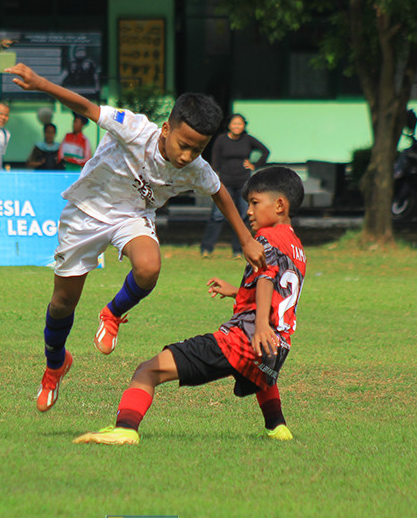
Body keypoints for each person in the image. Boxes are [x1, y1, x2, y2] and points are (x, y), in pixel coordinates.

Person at [3, 62, 266, 413]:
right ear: (166, 127)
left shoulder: (196, 168)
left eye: (197, 150)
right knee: (62, 303)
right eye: (183, 145)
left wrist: (247, 239)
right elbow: (86, 107)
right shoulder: (135, 129)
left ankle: (112, 314)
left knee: (149, 267)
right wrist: (40, 83)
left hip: (132, 217)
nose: (187, 156)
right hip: (86, 211)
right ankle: (55, 365)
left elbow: (219, 191)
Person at [74, 167, 306, 445]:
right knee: (259, 373)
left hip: (244, 339)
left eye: (255, 203)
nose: (249, 212)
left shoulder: (266, 238)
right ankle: (278, 428)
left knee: (147, 370)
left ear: (280, 205)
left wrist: (258, 327)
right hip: (278, 346)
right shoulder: (296, 247)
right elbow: (281, 288)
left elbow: (268, 278)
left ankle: (125, 428)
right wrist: (237, 292)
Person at [200, 113, 270, 258]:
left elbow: (265, 151)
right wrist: (214, 177)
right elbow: (215, 161)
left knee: (243, 216)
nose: (237, 126)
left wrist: (254, 165)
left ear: (244, 125)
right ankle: (206, 248)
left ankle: (238, 250)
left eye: (240, 124)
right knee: (217, 215)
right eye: (234, 123)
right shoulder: (221, 140)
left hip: (243, 182)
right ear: (229, 125)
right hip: (225, 182)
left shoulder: (248, 139)